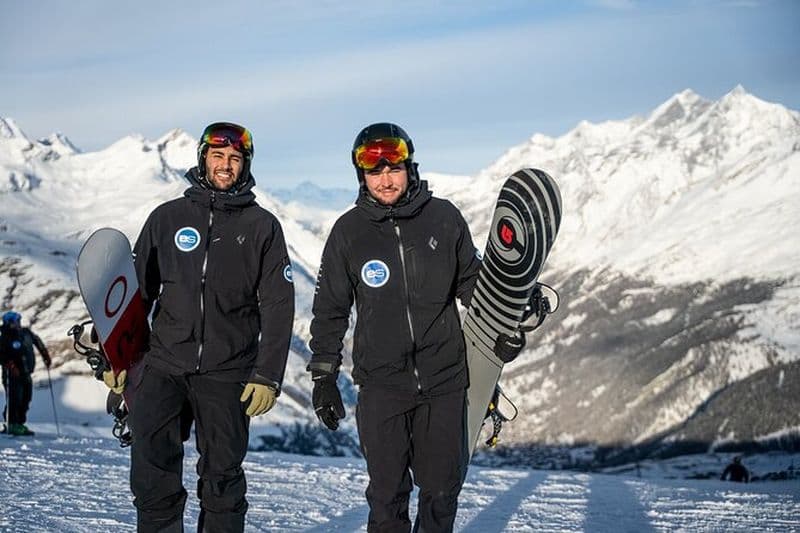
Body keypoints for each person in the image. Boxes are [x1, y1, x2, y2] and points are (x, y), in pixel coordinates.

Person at [308, 123, 527, 532]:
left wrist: (504, 329)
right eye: (375, 172)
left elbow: (471, 284)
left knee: (442, 491)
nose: (386, 179)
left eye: (394, 168)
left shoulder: (443, 218)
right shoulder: (348, 232)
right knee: (387, 495)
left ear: (410, 167)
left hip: (444, 380)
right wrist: (323, 374)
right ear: (363, 177)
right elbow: (331, 308)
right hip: (381, 385)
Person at [103, 122, 295, 532]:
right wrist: (117, 355)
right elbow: (138, 295)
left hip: (228, 371)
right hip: (164, 365)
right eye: (218, 156)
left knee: (223, 478)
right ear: (203, 159)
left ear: (245, 166)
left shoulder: (262, 226)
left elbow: (279, 306)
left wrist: (268, 375)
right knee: (153, 472)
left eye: (235, 158)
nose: (225, 165)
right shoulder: (167, 218)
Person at [0, 310, 51, 436]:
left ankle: (20, 423)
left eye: (18, 320)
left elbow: (37, 341)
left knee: (26, 398)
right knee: (14, 398)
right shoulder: (4, 337)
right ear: (8, 323)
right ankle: (11, 423)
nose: (18, 323)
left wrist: (45, 355)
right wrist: (10, 365)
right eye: (15, 321)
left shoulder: (25, 333)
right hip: (11, 374)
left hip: (26, 371)